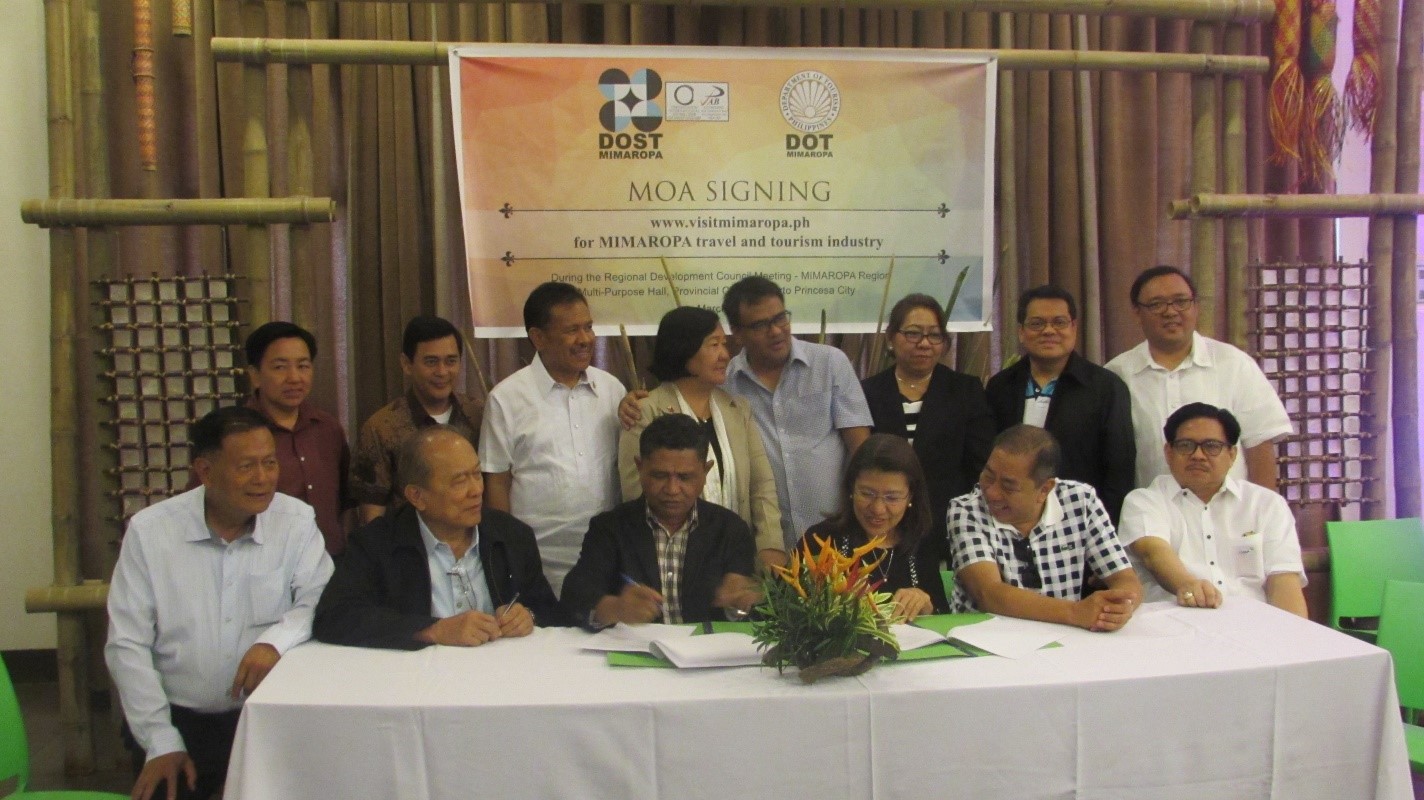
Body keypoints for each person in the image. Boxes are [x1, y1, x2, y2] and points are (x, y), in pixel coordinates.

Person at [106, 406, 333, 800]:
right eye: (246, 466)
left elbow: (320, 599)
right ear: (206, 471)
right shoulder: (151, 531)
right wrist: (161, 740)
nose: (263, 478)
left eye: (269, 463)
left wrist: (275, 642)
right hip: (178, 719)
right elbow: (127, 644)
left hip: (267, 716)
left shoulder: (295, 522)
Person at [314, 426, 562, 649]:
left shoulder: (512, 535)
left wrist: (528, 616)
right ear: (417, 496)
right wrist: (433, 630)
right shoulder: (377, 543)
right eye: (459, 481)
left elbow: (551, 611)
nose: (476, 490)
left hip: (499, 672)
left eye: (477, 474)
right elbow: (334, 617)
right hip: (412, 676)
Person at [481, 282, 625, 593]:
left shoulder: (612, 390)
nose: (585, 339)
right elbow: (497, 483)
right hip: (537, 566)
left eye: (588, 327)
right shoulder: (506, 398)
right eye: (572, 330)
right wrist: (508, 558)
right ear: (538, 338)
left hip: (605, 562)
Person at [617, 306, 785, 570]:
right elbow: (636, 495)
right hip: (671, 562)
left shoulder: (737, 409)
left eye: (724, 344)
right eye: (714, 345)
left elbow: (762, 486)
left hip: (737, 560)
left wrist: (770, 546)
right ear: (684, 349)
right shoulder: (645, 410)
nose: (725, 355)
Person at [562, 414, 761, 627]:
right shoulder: (610, 528)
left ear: (706, 471)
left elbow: (747, 615)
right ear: (639, 467)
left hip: (705, 647)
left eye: (685, 477)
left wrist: (739, 605)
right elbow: (574, 600)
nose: (672, 489)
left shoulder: (730, 530)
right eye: (659, 476)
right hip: (635, 645)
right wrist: (615, 608)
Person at [1105, 265, 1292, 490]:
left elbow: (1259, 445)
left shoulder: (1234, 364)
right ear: (1137, 313)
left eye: (1181, 301)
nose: (1170, 312)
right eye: (1156, 304)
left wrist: (1263, 509)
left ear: (1196, 306)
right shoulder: (1116, 375)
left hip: (1228, 509)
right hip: (1151, 509)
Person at [1117, 403, 1308, 616]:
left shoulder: (1266, 504)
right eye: (1186, 445)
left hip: (1252, 625)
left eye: (1212, 446)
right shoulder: (1144, 501)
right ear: (1169, 453)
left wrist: (1294, 634)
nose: (1198, 455)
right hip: (1175, 625)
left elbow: (1284, 582)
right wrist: (1188, 585)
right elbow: (1153, 554)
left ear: (1232, 454)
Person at [948, 425, 1142, 631]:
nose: (992, 492)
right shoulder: (966, 509)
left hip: (1065, 636)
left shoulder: (1080, 500)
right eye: (988, 476)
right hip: (987, 637)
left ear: (1044, 489)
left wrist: (1118, 608)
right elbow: (989, 594)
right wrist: (1076, 612)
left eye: (1008, 486)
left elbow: (1124, 579)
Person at [984, 286, 1135, 523]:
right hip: (1008, 520)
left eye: (1059, 322)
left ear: (1073, 327)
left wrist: (1104, 526)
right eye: (1037, 324)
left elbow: (1119, 470)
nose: (1048, 331)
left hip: (1079, 522)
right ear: (1021, 331)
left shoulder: (1106, 388)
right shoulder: (1000, 386)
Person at [860, 293, 993, 532]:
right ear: (891, 337)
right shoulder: (868, 391)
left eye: (934, 335)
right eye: (913, 333)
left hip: (948, 521)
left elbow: (980, 465)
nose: (924, 343)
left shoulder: (965, 390)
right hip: (883, 521)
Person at [799, 433, 949, 621]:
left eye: (892, 498)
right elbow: (785, 613)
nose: (878, 509)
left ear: (910, 497)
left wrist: (925, 605)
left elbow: (942, 614)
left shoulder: (921, 541)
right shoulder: (821, 540)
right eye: (867, 494)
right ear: (851, 488)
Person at [351, 315, 484, 523]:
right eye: (431, 362)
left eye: (451, 361)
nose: (442, 372)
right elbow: (372, 515)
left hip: (474, 536)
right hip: (408, 540)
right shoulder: (382, 428)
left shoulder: (480, 414)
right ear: (406, 364)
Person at [238, 321, 352, 554]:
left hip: (330, 561)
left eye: (303, 366)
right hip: (264, 564)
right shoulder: (236, 435)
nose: (294, 378)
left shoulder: (328, 428)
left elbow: (345, 501)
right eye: (280, 367)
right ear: (255, 375)